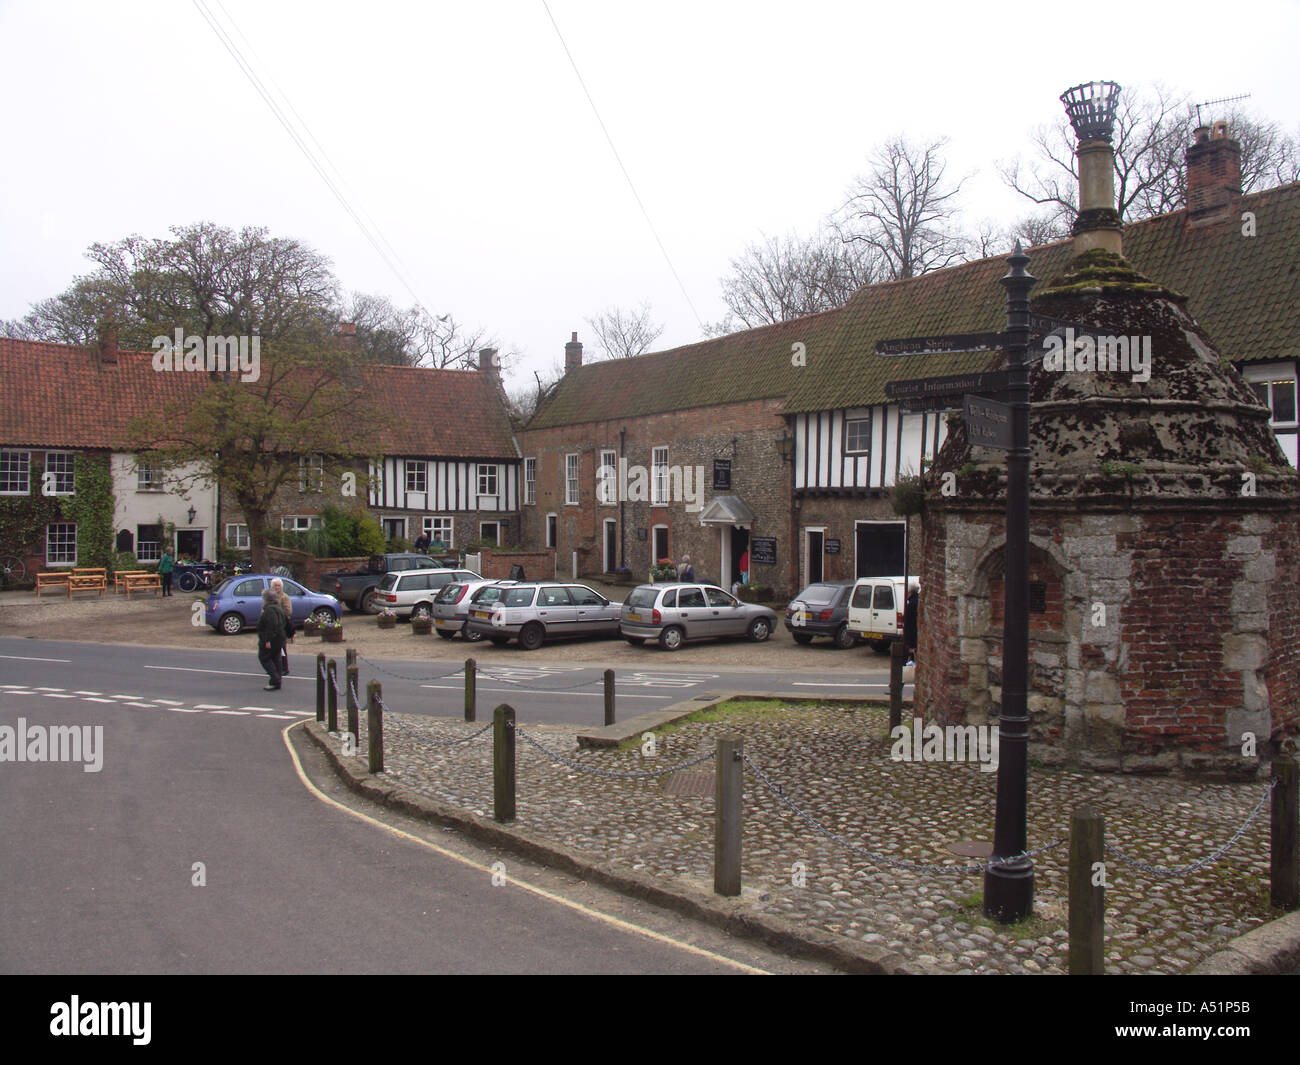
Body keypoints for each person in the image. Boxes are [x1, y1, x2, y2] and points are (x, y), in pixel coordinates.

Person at [257, 588, 289, 691]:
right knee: (276, 659)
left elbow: (272, 626)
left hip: (272, 639)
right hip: (280, 638)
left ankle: (275, 680)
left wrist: (267, 640)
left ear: (266, 599)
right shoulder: (278, 608)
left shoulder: (270, 610)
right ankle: (276, 682)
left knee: (264, 657)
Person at [271, 577, 294, 676]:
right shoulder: (270, 597)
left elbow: (288, 611)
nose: (277, 587)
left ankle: (284, 667)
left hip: (281, 625)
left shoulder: (284, 597)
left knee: (282, 647)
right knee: (273, 647)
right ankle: (275, 666)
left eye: (278, 585)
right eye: (275, 585)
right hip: (271, 625)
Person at [903, 585, 919, 667]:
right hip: (914, 632)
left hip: (912, 633)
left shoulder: (911, 603)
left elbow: (908, 620)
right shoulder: (917, 600)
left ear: (910, 592)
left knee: (911, 653)